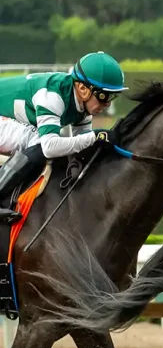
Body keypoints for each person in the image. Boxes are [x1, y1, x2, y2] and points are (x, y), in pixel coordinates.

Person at [0, 51, 126, 222]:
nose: (108, 104)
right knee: (38, 141)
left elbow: (81, 143)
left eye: (113, 96)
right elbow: (50, 147)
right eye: (104, 96)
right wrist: (94, 137)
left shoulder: (82, 105)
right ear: (82, 89)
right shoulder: (53, 97)